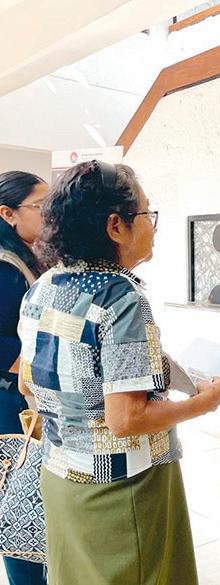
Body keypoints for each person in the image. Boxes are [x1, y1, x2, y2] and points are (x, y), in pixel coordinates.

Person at [16, 161, 220, 585]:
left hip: (61, 480)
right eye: (147, 214)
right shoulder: (122, 297)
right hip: (122, 489)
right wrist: (203, 403)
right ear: (116, 226)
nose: (153, 226)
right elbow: (126, 419)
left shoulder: (44, 286)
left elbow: (28, 382)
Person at [0, 171, 48, 585]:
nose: (49, 214)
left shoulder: (28, 257)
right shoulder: (5, 265)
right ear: (8, 214)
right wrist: (29, 368)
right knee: (19, 501)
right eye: (40, 206)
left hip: (22, 397)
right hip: (11, 402)